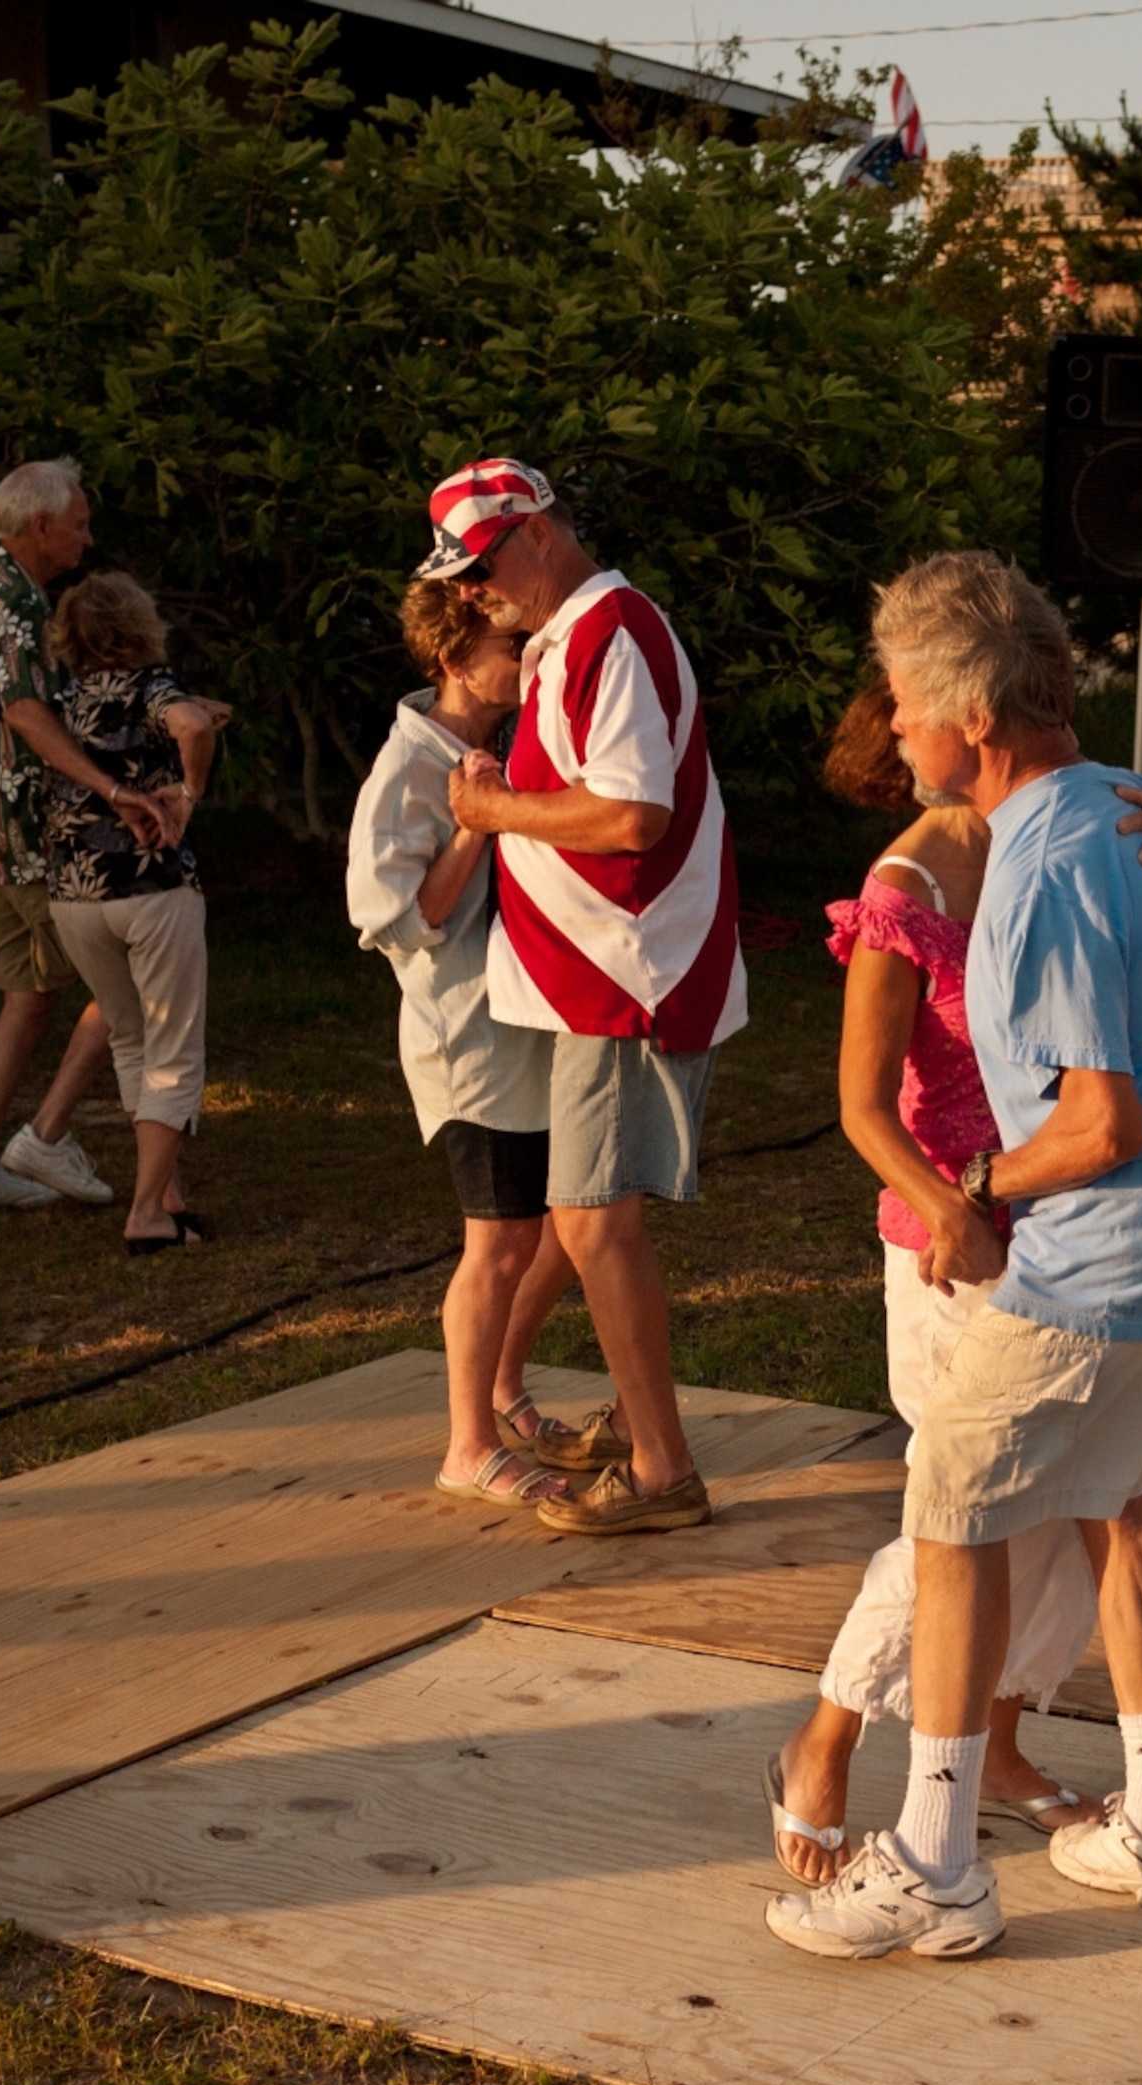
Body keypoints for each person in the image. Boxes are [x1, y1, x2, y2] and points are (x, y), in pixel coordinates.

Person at [766, 553, 1142, 1960]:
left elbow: (1100, 1123)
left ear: (969, 722)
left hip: (1122, 1244)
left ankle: (935, 1863)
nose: (892, 729)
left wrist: (980, 1186)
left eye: (901, 703)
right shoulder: (1134, 806)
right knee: (1121, 1498)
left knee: (952, 1510)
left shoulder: (1036, 866)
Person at [430, 457, 748, 1535]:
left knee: (593, 1221)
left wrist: (493, 808)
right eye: (462, 578)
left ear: (543, 531)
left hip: (627, 972)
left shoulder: (609, 630)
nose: (473, 591)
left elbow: (632, 817)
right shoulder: (582, 633)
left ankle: (661, 1470)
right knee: (588, 1215)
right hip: (604, 972)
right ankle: (640, 1428)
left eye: (482, 564)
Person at [347, 579, 578, 1505]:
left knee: (568, 1223)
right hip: (470, 1041)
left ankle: (503, 1389)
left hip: (527, 1026)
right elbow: (397, 917)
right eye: (507, 645)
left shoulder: (497, 746)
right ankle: (467, 1445)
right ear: (453, 659)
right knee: (498, 1242)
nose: (525, 659)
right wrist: (475, 826)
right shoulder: (408, 770)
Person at [0, 457, 140, 1218]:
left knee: (29, 994)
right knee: (129, 970)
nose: (86, 536)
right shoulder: (14, 603)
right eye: (78, 523)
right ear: (41, 526)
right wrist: (112, 788)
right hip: (15, 830)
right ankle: (45, 1136)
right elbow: (23, 710)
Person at [40, 573, 228, 1254]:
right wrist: (190, 788)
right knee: (174, 1048)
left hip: (73, 895)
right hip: (151, 888)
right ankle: (149, 1211)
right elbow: (188, 725)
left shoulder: (60, 696)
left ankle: (166, 1193)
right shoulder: (152, 685)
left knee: (129, 1038)